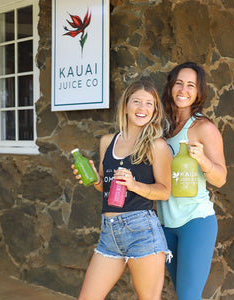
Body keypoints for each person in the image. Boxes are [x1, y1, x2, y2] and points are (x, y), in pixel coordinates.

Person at [72, 80, 173, 300]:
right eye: (137, 101)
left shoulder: (157, 145)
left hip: (142, 231)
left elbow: (164, 191)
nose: (142, 108)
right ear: (126, 105)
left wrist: (135, 185)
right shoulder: (108, 141)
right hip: (109, 233)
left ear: (155, 111)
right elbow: (105, 188)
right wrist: (94, 179)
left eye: (149, 104)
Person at [156, 61, 227, 300]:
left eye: (190, 85)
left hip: (195, 222)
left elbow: (221, 178)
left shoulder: (203, 127)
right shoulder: (163, 128)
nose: (183, 90)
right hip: (166, 225)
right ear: (171, 87)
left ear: (198, 92)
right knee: (184, 294)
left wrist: (204, 161)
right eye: (179, 83)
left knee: (188, 297)